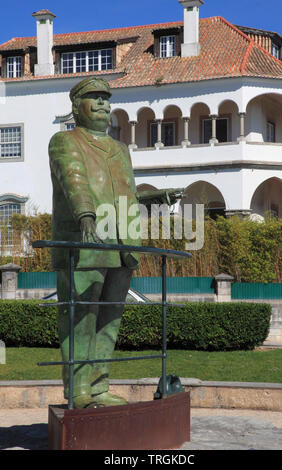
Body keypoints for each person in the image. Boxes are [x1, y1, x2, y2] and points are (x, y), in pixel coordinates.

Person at [49, 76, 183, 409]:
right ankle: (78, 390)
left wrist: (154, 198)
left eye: (106, 100)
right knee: (81, 317)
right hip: (84, 243)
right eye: (93, 99)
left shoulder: (120, 149)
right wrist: (85, 216)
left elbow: (125, 194)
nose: (102, 105)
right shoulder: (65, 142)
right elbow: (73, 179)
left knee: (110, 318)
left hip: (123, 246)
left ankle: (98, 386)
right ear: (76, 106)